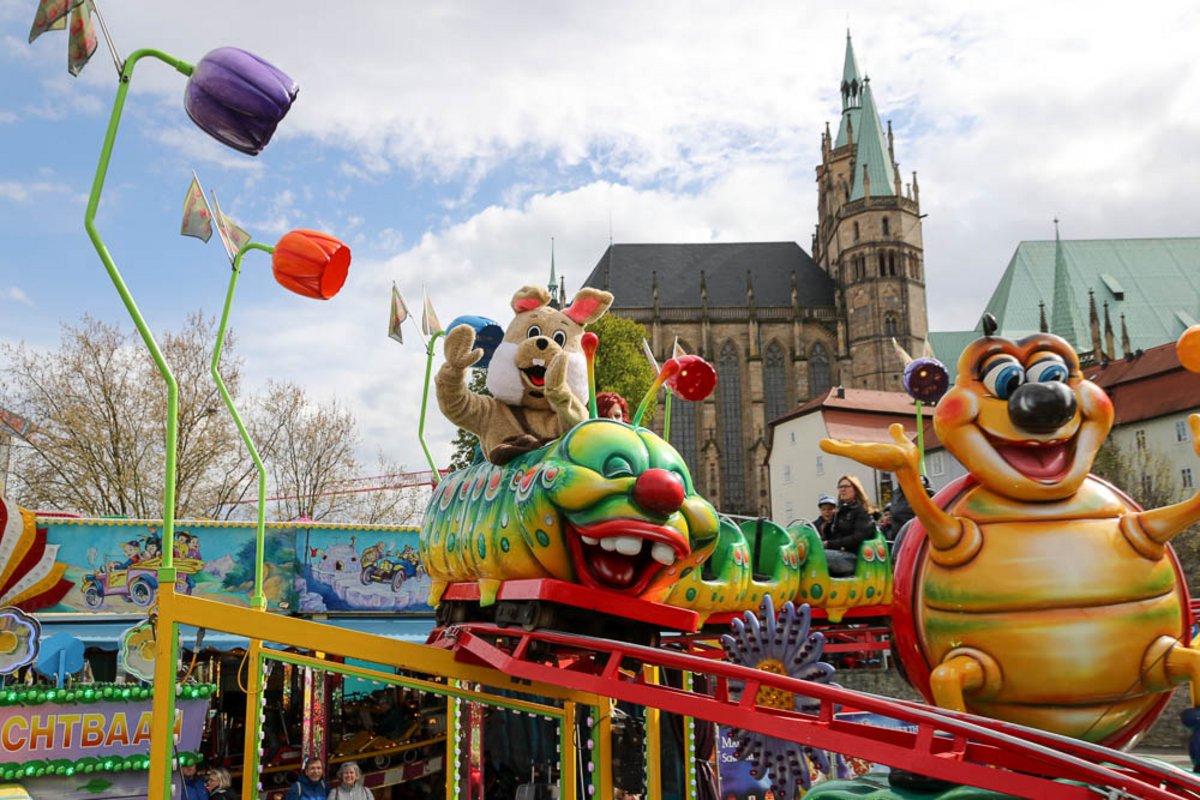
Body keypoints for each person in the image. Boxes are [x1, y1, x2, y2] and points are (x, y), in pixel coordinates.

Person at [823, 475, 878, 577]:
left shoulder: (862, 511)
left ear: (855, 489)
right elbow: (833, 536)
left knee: (817, 556)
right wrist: (828, 526)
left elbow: (858, 538)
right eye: (840, 487)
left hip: (855, 557)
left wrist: (829, 544)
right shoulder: (840, 512)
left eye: (846, 486)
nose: (842, 489)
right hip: (839, 553)